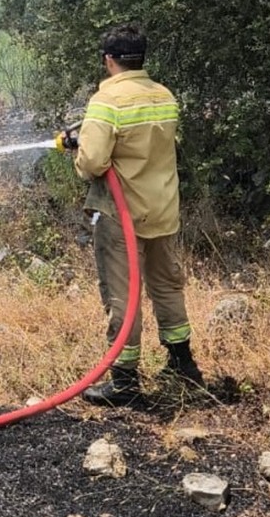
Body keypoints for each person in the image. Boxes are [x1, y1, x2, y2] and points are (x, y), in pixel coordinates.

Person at [63, 25, 204, 406]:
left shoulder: (106, 100)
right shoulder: (164, 95)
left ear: (108, 60)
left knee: (122, 296)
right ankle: (183, 365)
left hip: (121, 214)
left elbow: (93, 163)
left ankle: (124, 382)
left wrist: (78, 150)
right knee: (167, 285)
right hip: (162, 208)